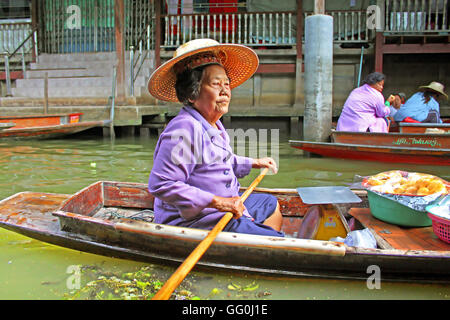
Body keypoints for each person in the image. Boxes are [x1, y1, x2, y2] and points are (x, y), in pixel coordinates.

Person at [147, 38, 284, 237]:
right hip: (195, 220)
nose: (225, 90)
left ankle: (250, 249)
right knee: (276, 241)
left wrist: (255, 162)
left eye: (227, 84)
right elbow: (162, 184)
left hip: (225, 208)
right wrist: (219, 202)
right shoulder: (184, 129)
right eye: (216, 84)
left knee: (269, 204)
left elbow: (221, 161)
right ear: (192, 94)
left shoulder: (213, 124)